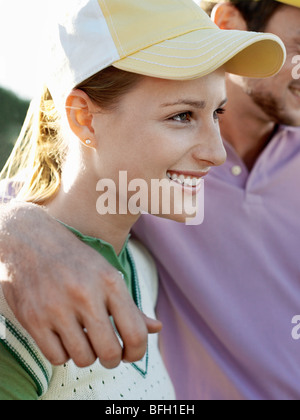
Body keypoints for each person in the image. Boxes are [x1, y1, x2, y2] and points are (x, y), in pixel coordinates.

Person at [0, 0, 284, 401]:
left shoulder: (143, 269)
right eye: (182, 116)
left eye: (217, 113)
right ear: (84, 118)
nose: (217, 153)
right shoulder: (18, 296)